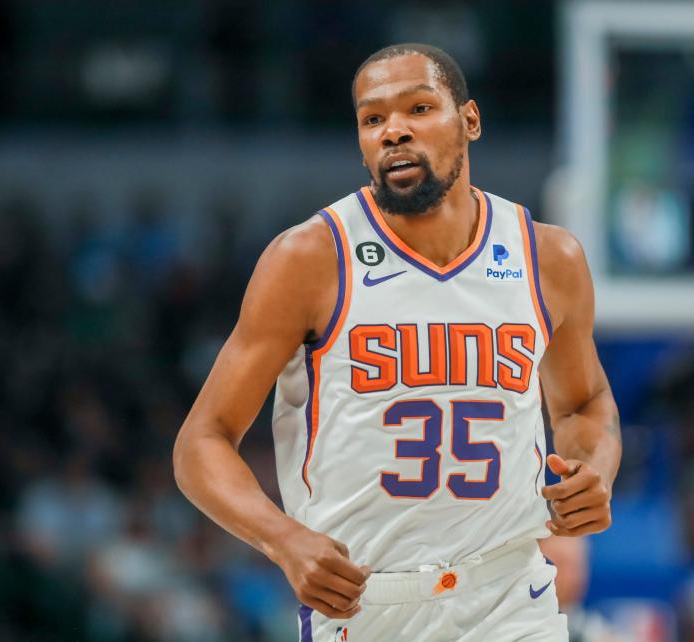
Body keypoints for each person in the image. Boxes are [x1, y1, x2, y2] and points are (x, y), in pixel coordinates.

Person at [173, 43, 621, 641]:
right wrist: (283, 540)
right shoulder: (309, 258)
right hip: (365, 604)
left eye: (418, 108)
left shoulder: (548, 257)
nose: (393, 132)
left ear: (470, 121)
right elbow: (201, 443)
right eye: (373, 119)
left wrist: (595, 472)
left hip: (509, 598)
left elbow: (584, 404)